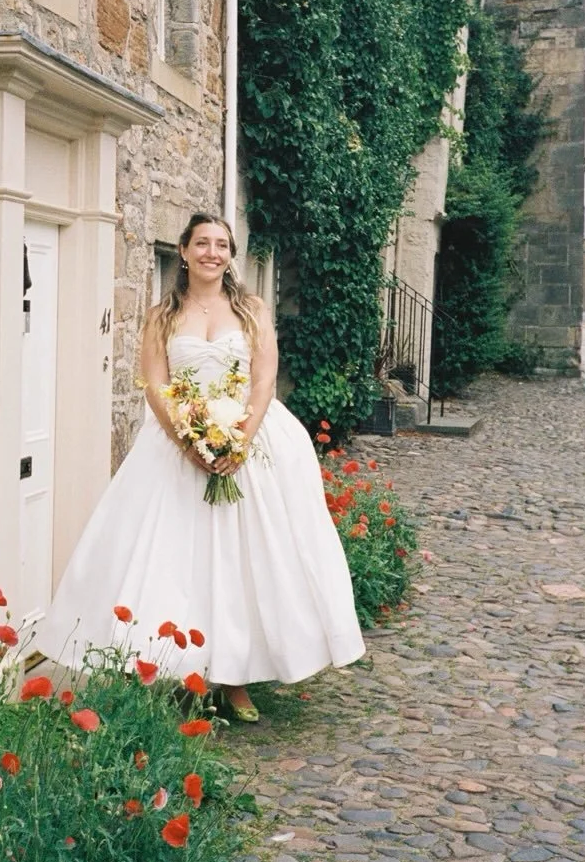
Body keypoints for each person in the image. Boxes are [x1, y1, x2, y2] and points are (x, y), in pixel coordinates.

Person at [33, 213, 365, 720]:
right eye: (202, 243)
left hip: (248, 444)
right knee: (173, 558)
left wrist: (238, 442)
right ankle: (176, 668)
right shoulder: (161, 315)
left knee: (243, 561)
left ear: (231, 255)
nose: (213, 252)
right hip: (176, 448)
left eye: (222, 245)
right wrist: (189, 442)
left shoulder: (251, 310)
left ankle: (234, 679)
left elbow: (263, 381)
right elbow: (156, 385)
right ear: (183, 252)